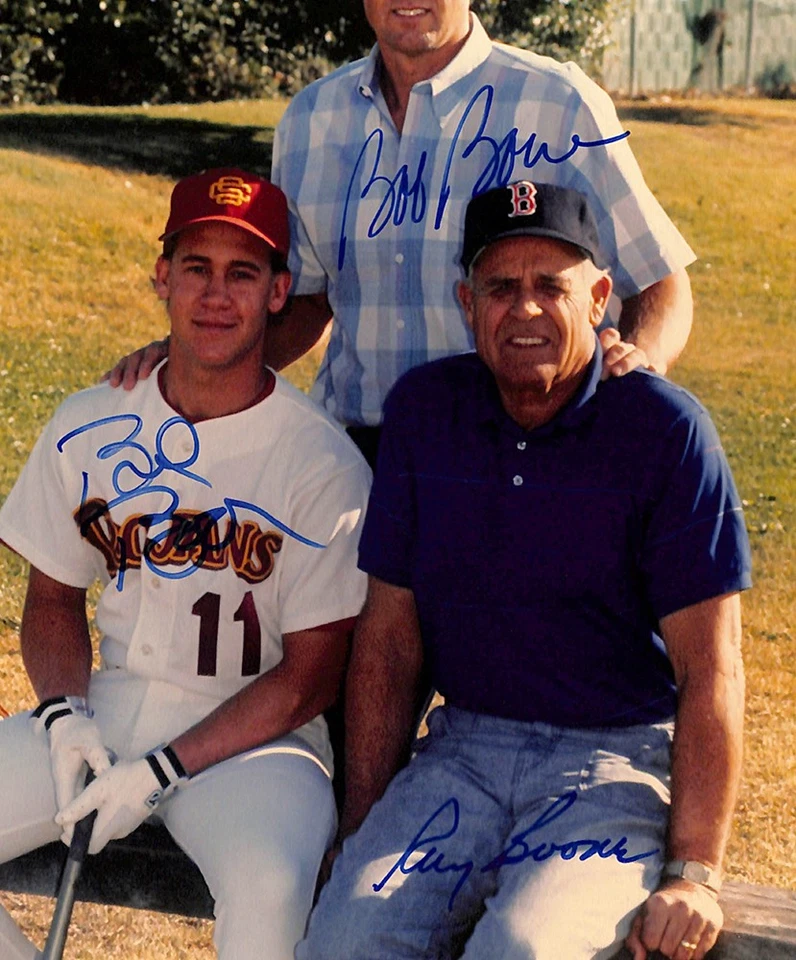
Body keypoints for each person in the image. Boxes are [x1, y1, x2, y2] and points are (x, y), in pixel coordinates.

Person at [297, 181, 751, 960]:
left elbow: (712, 668)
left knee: (522, 949)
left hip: (612, 763)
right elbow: (391, 639)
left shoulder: (664, 429)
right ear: (467, 303)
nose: (527, 309)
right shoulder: (426, 412)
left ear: (601, 297)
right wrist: (361, 825)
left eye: (553, 286)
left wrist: (693, 872)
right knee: (346, 935)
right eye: (502, 288)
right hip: (464, 753)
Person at [0, 168, 371, 960]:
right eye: (196, 267)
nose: (216, 295)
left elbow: (311, 676)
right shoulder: (91, 423)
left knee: (270, 887)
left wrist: (164, 769)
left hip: (259, 743)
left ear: (279, 294)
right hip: (108, 708)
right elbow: (55, 596)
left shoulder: (324, 462)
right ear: (161, 278)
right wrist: (64, 715)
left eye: (243, 273)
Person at [109, 0, 695, 468]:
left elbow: (661, 282)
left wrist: (636, 366)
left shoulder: (559, 104)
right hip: (352, 462)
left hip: (517, 457)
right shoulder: (311, 120)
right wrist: (189, 364)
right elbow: (309, 302)